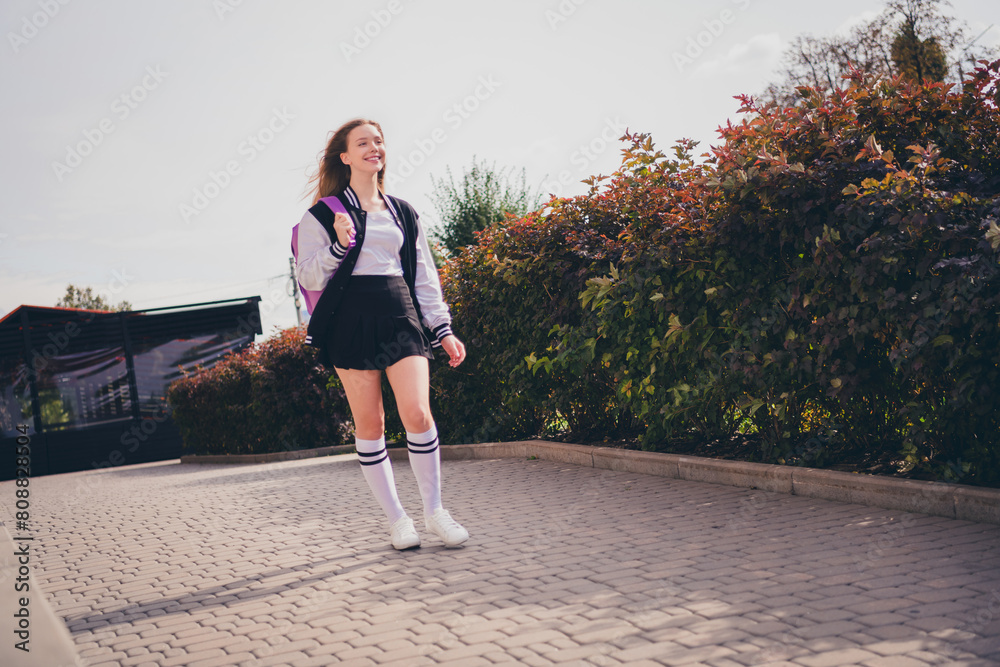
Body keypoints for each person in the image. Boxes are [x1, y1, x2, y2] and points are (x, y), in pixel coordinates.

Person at [294, 118, 469, 550]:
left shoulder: (403, 211)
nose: (375, 147)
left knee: (418, 414)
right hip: (349, 319)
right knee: (370, 423)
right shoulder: (322, 214)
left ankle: (435, 512)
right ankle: (397, 520)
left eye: (379, 141)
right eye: (363, 143)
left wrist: (441, 328)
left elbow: (424, 275)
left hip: (399, 312)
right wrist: (338, 244)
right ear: (346, 156)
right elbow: (308, 276)